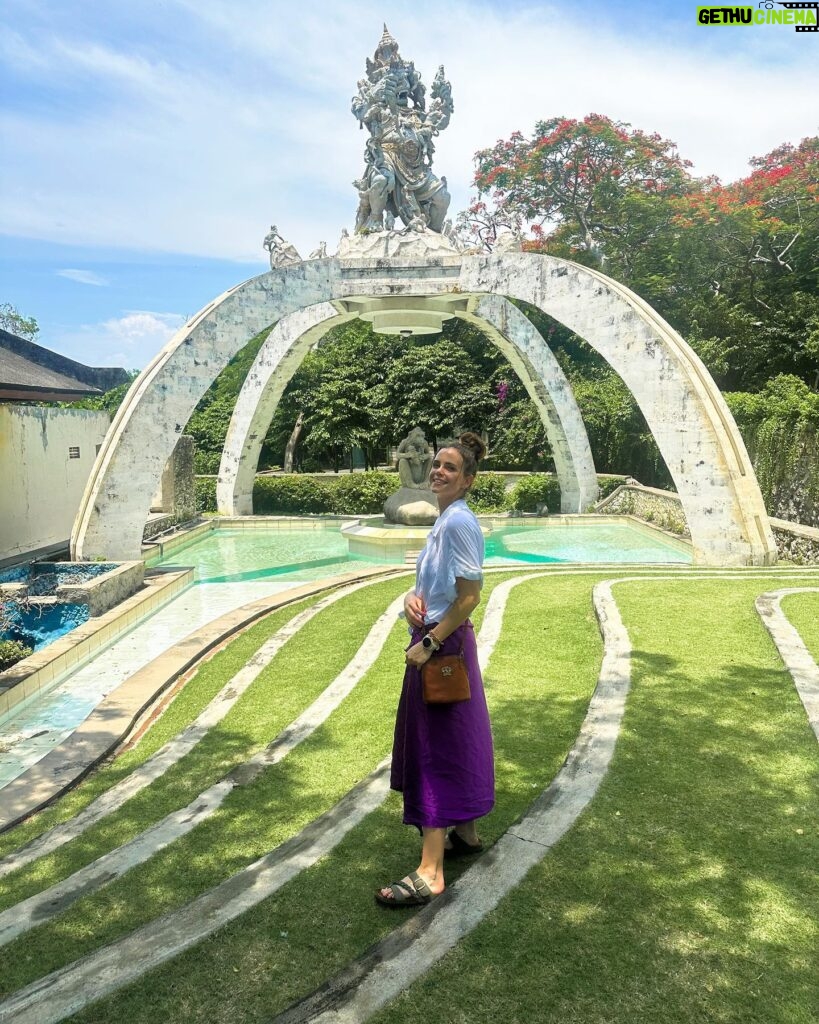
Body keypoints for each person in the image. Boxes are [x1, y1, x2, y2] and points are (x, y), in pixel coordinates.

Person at [377, 432, 495, 908]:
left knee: (434, 750)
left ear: (467, 480)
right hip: (443, 642)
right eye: (437, 465)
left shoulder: (458, 523)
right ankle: (464, 833)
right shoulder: (447, 520)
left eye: (450, 467)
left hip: (440, 649)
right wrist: (411, 598)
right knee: (457, 738)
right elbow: (435, 584)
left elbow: (469, 596)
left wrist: (428, 642)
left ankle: (431, 870)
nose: (438, 471)